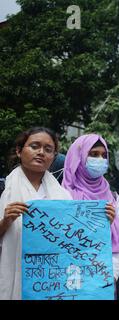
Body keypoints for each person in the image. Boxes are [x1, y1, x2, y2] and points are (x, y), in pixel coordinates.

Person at [0, 127, 72, 299]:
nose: (41, 153)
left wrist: (102, 221)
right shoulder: (4, 190)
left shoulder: (64, 197)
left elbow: (73, 239)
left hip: (51, 280)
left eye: (48, 150)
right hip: (11, 273)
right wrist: (6, 221)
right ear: (19, 151)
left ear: (53, 157)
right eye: (34, 146)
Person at [62, 134, 119, 284]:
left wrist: (110, 278)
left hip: (102, 279)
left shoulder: (111, 195)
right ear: (78, 157)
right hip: (69, 279)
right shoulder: (61, 196)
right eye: (93, 154)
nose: (100, 160)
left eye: (104, 156)